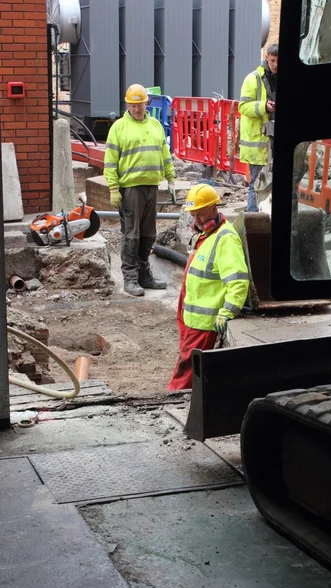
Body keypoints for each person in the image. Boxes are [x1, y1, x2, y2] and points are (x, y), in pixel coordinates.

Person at [168, 184, 250, 390]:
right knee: (191, 364)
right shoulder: (206, 235)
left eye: (201, 214)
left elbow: (238, 281)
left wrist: (226, 312)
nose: (197, 220)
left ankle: (170, 403)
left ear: (214, 208)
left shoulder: (226, 239)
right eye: (193, 215)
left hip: (203, 322)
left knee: (186, 369)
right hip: (190, 316)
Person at [104, 83, 176, 297]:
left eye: (140, 104)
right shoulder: (118, 128)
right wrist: (114, 188)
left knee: (148, 235)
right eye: (133, 105)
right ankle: (130, 277)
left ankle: (144, 275)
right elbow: (110, 161)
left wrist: (171, 176)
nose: (137, 108)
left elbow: (164, 153)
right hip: (131, 189)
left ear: (147, 103)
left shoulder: (155, 125)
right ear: (127, 104)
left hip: (151, 187)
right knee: (131, 235)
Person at [238, 43, 278, 213]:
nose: (275, 65)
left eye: (279, 61)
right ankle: (254, 219)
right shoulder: (253, 79)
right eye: (273, 60)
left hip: (276, 140)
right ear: (267, 58)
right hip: (258, 143)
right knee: (257, 183)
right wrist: (263, 107)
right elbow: (243, 107)